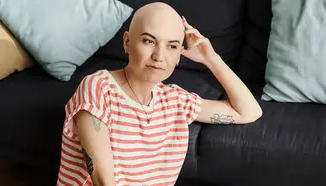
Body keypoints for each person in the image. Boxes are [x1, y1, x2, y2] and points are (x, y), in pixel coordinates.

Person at [56, 2, 262, 186]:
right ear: (127, 42)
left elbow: (249, 112)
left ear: (179, 56)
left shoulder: (174, 101)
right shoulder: (98, 87)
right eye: (149, 41)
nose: (159, 56)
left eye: (172, 46)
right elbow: (103, 180)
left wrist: (211, 59)